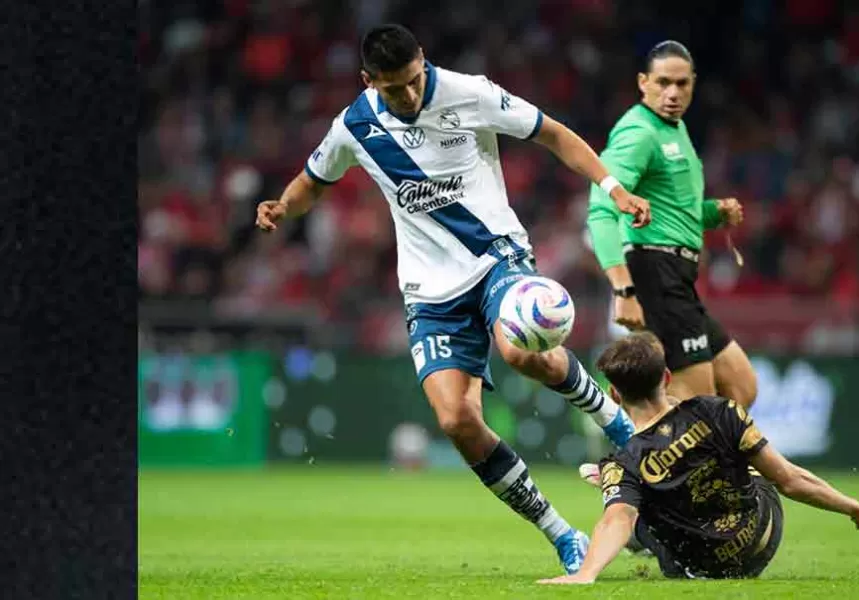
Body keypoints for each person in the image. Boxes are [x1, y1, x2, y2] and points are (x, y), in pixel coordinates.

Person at [253, 24, 653, 575]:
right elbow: (311, 181)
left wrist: (614, 188)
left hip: (495, 257)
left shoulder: (470, 93)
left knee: (518, 348)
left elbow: (553, 134)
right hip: (429, 291)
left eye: (415, 81)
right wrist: (281, 206)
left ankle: (616, 422)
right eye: (394, 90)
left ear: (425, 61)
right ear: (370, 81)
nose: (410, 96)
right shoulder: (354, 126)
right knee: (455, 419)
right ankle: (563, 534)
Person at [538, 332, 859, 584]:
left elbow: (616, 520)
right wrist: (855, 508)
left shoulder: (627, 462)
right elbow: (789, 480)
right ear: (667, 377)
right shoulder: (719, 410)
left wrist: (586, 574)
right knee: (743, 458)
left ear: (615, 396)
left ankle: (628, 496)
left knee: (633, 501)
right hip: (763, 536)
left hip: (703, 569)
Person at [585, 41, 758, 411]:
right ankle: (636, 462)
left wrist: (714, 213)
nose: (673, 93)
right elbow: (601, 208)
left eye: (682, 84)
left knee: (741, 387)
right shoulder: (639, 132)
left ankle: (660, 457)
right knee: (696, 403)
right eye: (663, 82)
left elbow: (676, 211)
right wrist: (623, 290)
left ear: (693, 83)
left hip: (677, 278)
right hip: (653, 274)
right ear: (643, 82)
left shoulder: (673, 131)